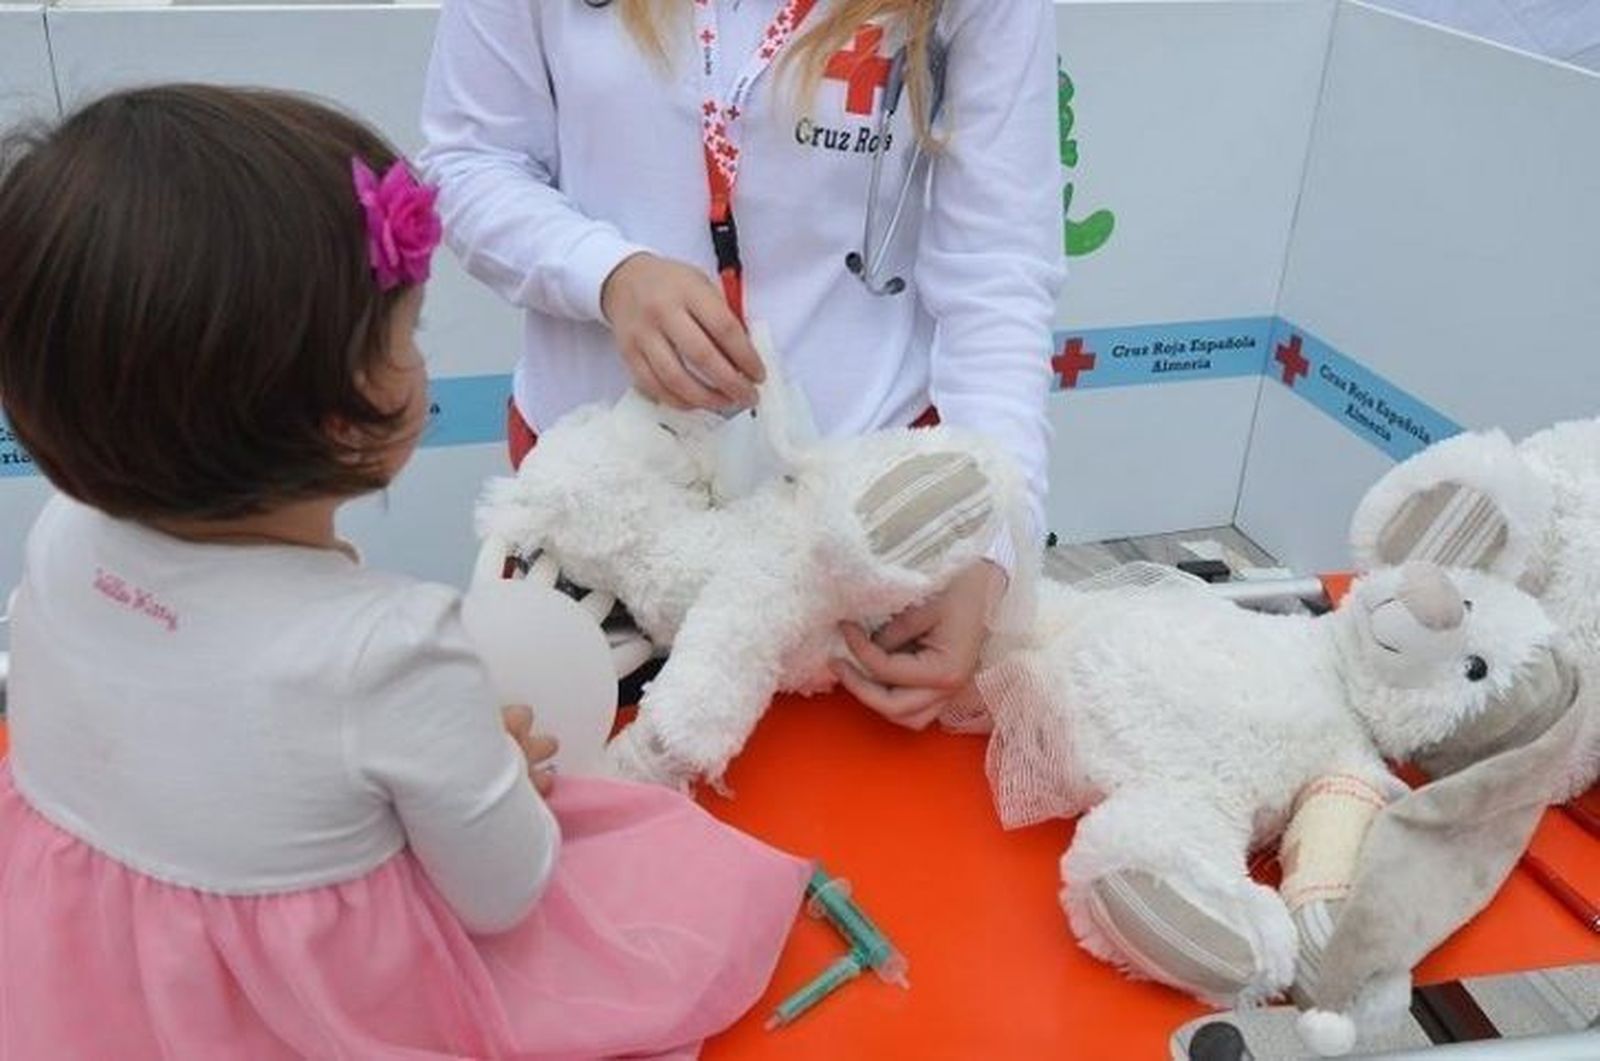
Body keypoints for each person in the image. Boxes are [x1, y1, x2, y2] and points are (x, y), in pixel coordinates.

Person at [0, 83, 807, 1058]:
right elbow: (505, 889)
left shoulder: (63, 534)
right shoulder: (396, 648)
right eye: (406, 336)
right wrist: (494, 768)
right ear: (346, 418)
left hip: (87, 970)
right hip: (307, 1006)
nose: (421, 358)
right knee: (671, 874)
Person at [420, 0, 1066, 730]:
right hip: (603, 518)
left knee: (842, 832)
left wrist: (995, 542)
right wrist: (606, 274)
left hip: (852, 538)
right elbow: (470, 160)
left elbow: (998, 265)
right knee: (579, 821)